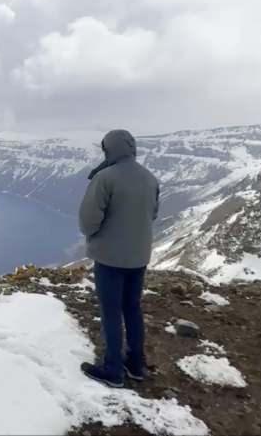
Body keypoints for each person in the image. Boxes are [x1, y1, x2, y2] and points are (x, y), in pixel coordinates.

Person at [78, 130, 160, 387]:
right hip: (139, 257)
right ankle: (136, 364)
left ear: (109, 149)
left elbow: (88, 221)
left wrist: (95, 237)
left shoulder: (105, 177)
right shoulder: (150, 178)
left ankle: (113, 369)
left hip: (110, 258)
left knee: (111, 311)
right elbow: (153, 214)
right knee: (132, 308)